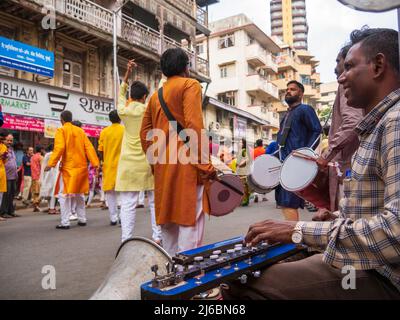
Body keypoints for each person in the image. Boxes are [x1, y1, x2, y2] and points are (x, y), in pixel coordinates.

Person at [221, 28, 400, 300]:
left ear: (378, 65)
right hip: (365, 260)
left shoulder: (395, 123)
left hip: (382, 273)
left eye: (349, 67)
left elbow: (395, 232)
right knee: (258, 263)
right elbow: (378, 212)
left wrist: (299, 231)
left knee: (246, 284)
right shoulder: (376, 127)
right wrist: (338, 218)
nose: (341, 78)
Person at [140, 48, 216, 255]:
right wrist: (205, 166)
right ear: (186, 68)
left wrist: (156, 163)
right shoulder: (190, 85)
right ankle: (188, 280)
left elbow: (144, 132)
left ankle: (173, 276)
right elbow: (193, 126)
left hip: (164, 166)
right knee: (189, 223)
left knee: (169, 225)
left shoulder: (155, 97)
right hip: (188, 166)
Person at [116, 59, 162, 244]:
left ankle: (126, 239)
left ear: (132, 96)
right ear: (144, 97)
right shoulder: (148, 110)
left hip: (128, 163)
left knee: (127, 204)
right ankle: (157, 237)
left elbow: (120, 93)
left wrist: (127, 73)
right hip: (148, 160)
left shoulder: (123, 110)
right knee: (153, 202)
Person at [316, 45, 364, 212]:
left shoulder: (346, 84)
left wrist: (327, 155)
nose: (337, 69)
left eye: (340, 62)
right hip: (348, 167)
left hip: (348, 170)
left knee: (347, 219)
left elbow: (353, 122)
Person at [275, 81, 321, 221]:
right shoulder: (286, 116)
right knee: (284, 203)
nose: (288, 91)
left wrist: (304, 154)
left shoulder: (305, 109)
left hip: (295, 164)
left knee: (289, 203)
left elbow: (317, 131)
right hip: (284, 164)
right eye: (287, 89)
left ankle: (293, 237)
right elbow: (281, 143)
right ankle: (292, 236)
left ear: (301, 93)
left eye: (292, 89)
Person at [45, 110, 99, 229]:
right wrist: (95, 163)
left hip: (68, 168)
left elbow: (59, 148)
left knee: (64, 195)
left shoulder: (61, 130)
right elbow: (89, 148)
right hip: (81, 167)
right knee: (79, 194)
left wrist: (51, 163)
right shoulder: (80, 131)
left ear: (62, 119)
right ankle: (82, 219)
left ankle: (65, 222)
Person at [98, 110, 124, 225]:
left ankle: (113, 218)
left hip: (108, 166)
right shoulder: (125, 130)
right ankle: (123, 217)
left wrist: (102, 162)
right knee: (124, 194)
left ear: (110, 120)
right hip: (123, 165)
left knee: (110, 194)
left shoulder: (104, 132)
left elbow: (100, 150)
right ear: (120, 119)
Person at [0, 134, 18, 218]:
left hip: (13, 176)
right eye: (8, 140)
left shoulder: (11, 149)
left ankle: (11, 211)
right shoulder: (2, 149)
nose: (10, 142)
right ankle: (3, 212)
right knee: (5, 195)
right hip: (5, 175)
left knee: (11, 195)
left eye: (11, 140)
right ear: (4, 140)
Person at [40, 144, 59, 215]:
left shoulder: (48, 154)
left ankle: (50, 207)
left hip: (49, 174)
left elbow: (44, 165)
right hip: (53, 174)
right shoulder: (52, 154)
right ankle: (51, 208)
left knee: (50, 191)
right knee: (53, 191)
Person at [236, 138, 251, 206]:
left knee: (243, 185)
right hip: (243, 170)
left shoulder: (244, 151)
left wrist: (240, 165)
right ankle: (245, 200)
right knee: (244, 185)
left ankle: (245, 200)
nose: (239, 143)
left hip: (243, 171)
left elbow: (247, 159)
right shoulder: (243, 150)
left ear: (243, 144)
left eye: (240, 142)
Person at [31, 145, 43, 212]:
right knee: (39, 192)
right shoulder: (40, 157)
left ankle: (35, 206)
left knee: (35, 192)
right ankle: (36, 205)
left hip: (33, 176)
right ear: (41, 150)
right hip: (39, 176)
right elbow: (43, 167)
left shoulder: (32, 157)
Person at [0, 129, 8, 221]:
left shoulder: (4, 147)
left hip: (2, 171)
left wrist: (4, 157)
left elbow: (4, 161)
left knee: (1, 195)